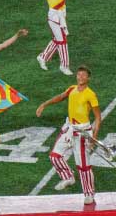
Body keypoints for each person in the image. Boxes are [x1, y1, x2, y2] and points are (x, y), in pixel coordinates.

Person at [36, 65, 100, 205]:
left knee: (83, 165)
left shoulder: (90, 94)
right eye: (79, 74)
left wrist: (93, 138)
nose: (81, 77)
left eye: (84, 75)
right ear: (76, 76)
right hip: (69, 129)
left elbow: (98, 117)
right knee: (55, 156)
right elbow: (60, 97)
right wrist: (44, 104)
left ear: (88, 78)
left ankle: (89, 193)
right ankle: (68, 177)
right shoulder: (72, 89)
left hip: (82, 132)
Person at [31, 0, 72, 75]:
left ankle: (42, 57)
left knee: (57, 40)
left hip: (61, 17)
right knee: (62, 41)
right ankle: (64, 66)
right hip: (54, 17)